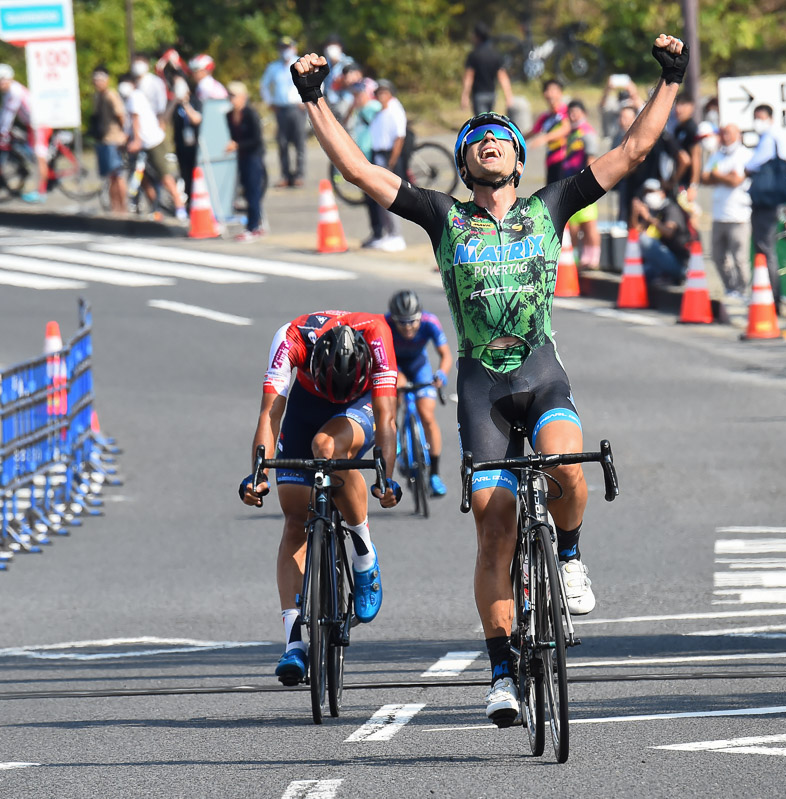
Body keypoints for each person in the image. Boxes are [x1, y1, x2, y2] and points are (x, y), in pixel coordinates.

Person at [293, 32, 690, 726]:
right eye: (476, 139)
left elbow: (630, 152)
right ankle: (503, 671)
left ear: (518, 155)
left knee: (570, 469)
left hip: (541, 376)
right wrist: (314, 100)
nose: (490, 142)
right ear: (465, 161)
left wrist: (673, 80)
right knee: (492, 529)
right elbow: (359, 170)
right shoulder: (445, 218)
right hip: (482, 390)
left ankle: (568, 553)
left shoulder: (552, 205)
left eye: (500, 137)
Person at [239, 313, 401, 685]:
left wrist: (387, 479)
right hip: (305, 406)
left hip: (359, 406)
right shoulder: (291, 337)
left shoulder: (377, 334)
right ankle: (294, 643)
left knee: (327, 446)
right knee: (295, 517)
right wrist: (258, 474)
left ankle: (363, 555)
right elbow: (270, 413)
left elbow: (387, 419)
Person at [385, 290, 454, 496]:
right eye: (402, 322)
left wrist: (441, 373)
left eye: (412, 322)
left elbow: (446, 355)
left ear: (420, 317)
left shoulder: (430, 322)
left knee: (427, 415)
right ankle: (395, 437)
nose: (408, 327)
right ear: (394, 319)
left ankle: (434, 473)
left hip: (419, 365)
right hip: (394, 365)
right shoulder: (385, 324)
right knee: (393, 398)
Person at [118, 74, 187, 220]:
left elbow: (136, 121)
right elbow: (129, 125)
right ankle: (156, 209)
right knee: (144, 178)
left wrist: (136, 140)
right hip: (143, 145)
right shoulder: (127, 99)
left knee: (165, 177)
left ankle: (180, 207)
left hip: (153, 142)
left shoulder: (135, 96)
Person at [701, 123, 751, 297]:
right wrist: (725, 176)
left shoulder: (745, 154)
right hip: (719, 214)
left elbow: (736, 180)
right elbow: (705, 177)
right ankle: (730, 287)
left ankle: (744, 289)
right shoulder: (717, 155)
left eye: (729, 133)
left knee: (739, 258)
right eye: (723, 133)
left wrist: (718, 176)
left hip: (738, 215)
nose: (726, 137)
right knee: (717, 255)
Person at [745, 104, 786, 311]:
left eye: (760, 117)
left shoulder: (769, 138)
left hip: (766, 202)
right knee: (765, 248)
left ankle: (772, 297)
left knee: (766, 248)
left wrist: (745, 169)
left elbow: (753, 163)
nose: (757, 121)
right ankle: (769, 295)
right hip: (767, 201)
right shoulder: (770, 138)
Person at [0, 63, 50, 204]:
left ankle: (41, 192)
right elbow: (3, 112)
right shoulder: (11, 90)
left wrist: (2, 131)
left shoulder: (14, 91)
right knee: (32, 153)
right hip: (31, 124)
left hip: (39, 124)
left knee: (39, 157)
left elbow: (9, 114)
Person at [364, 80, 408, 252]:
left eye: (384, 92)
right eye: (378, 92)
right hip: (378, 155)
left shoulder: (394, 110)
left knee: (389, 196)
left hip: (388, 156)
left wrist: (392, 162)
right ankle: (387, 234)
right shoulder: (381, 111)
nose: (381, 96)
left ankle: (396, 235)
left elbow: (399, 136)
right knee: (379, 197)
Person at [261, 38, 307, 188]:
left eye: (288, 47)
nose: (285, 50)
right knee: (282, 143)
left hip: (297, 108)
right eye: (282, 47)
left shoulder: (301, 63)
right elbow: (264, 86)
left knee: (300, 142)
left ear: (294, 48)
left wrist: (308, 101)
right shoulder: (274, 67)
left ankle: (299, 175)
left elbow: (317, 81)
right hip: (281, 109)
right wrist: (269, 102)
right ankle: (285, 175)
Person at [563, 100, 602, 268]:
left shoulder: (586, 132)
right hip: (570, 183)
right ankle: (579, 257)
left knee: (589, 223)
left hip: (582, 184)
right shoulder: (571, 133)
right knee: (573, 224)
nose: (573, 116)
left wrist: (587, 183)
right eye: (570, 112)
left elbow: (591, 158)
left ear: (584, 113)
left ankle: (593, 258)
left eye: (576, 112)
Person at [631, 177, 690, 285]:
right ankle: (662, 275)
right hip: (662, 259)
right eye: (646, 192)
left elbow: (669, 231)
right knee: (636, 274)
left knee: (645, 240)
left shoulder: (671, 209)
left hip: (678, 261)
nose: (648, 195)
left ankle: (673, 275)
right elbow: (636, 232)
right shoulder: (654, 210)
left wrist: (648, 217)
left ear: (662, 193)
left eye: (651, 191)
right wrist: (635, 213)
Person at [226, 82, 266, 242]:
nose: (231, 99)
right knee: (246, 190)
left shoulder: (250, 113)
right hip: (241, 156)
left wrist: (238, 145)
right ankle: (256, 222)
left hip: (254, 156)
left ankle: (253, 226)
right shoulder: (229, 115)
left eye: (234, 96)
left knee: (253, 191)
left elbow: (257, 140)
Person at [90, 67, 128, 214]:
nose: (97, 83)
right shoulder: (98, 96)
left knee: (117, 175)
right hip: (104, 139)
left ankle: (123, 207)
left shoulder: (111, 95)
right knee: (111, 176)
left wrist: (125, 134)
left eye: (100, 80)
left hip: (114, 138)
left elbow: (121, 115)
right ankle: (115, 207)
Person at [461, 22, 513, 116]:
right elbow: (502, 77)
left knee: (481, 122)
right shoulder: (495, 54)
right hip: (492, 94)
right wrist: (508, 96)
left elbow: (469, 77)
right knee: (489, 119)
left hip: (479, 95)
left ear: (477, 36)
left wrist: (465, 95)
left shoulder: (474, 55)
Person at [168, 68, 203, 204]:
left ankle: (198, 202)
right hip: (181, 145)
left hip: (195, 145)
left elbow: (196, 119)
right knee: (185, 175)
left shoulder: (195, 100)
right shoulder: (174, 105)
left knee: (197, 175)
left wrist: (186, 103)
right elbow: (164, 120)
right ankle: (189, 204)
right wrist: (174, 102)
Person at [528, 79, 571, 185]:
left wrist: (545, 138)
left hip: (566, 160)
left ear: (560, 93)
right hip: (551, 160)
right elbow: (532, 132)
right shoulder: (545, 117)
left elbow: (566, 128)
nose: (549, 94)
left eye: (553, 90)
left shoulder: (567, 111)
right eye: (547, 90)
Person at [669, 94, 700, 198]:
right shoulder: (678, 129)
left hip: (687, 182)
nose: (678, 109)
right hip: (679, 180)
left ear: (691, 107)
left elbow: (696, 157)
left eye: (682, 105)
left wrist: (693, 185)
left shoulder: (692, 128)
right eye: (677, 105)